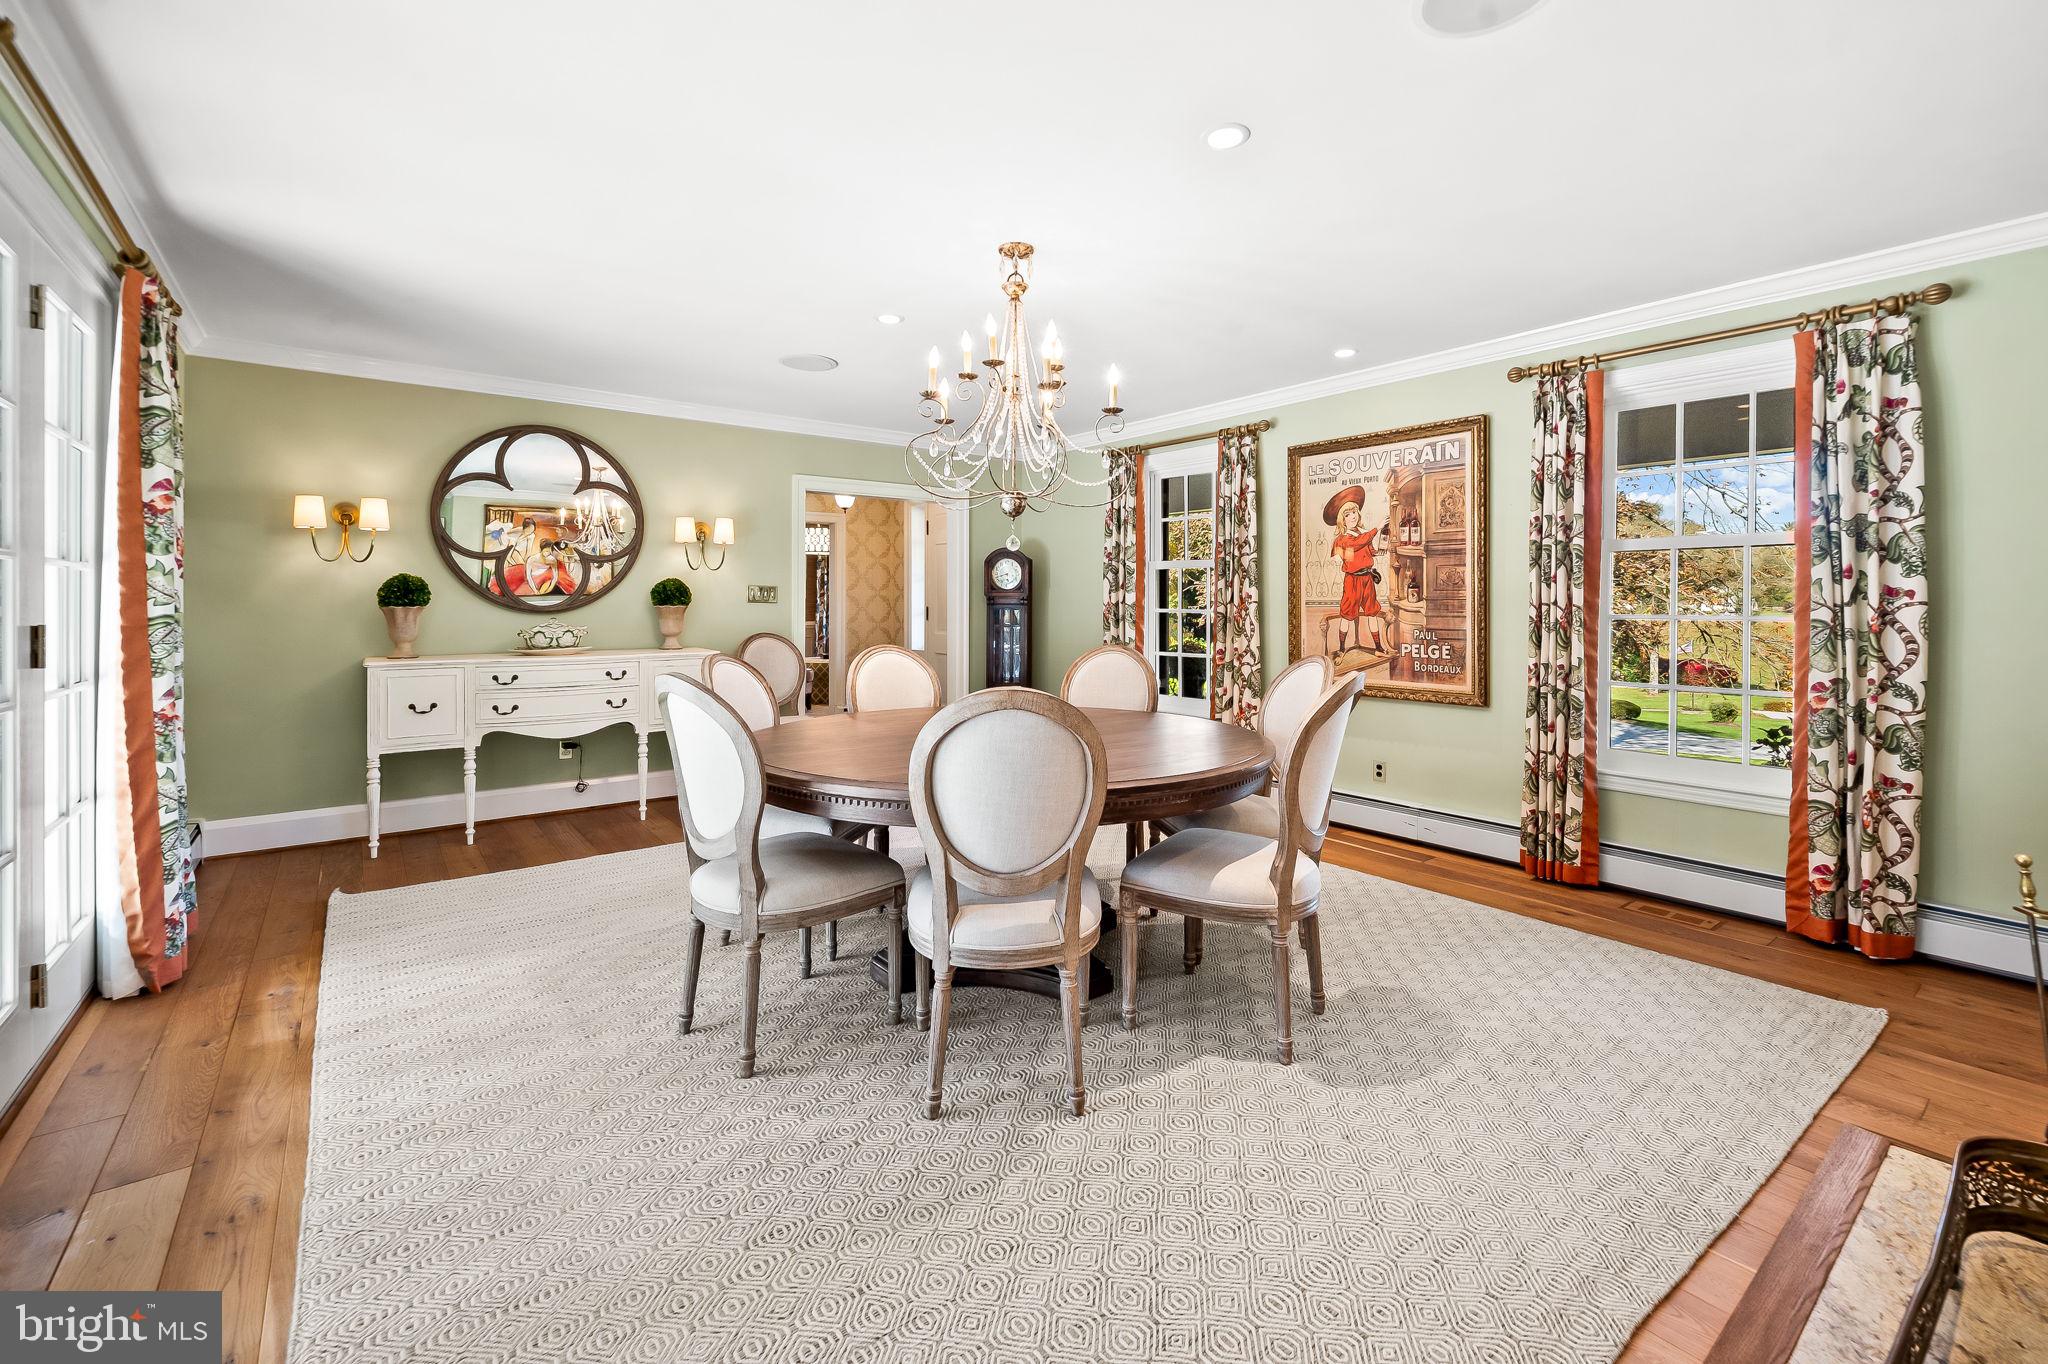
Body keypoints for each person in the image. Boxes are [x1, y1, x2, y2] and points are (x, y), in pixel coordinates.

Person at [1323, 485, 1390, 657]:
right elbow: (1356, 544)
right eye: (1347, 514)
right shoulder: (1343, 539)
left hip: (1367, 578)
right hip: (1352, 581)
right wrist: (1377, 528)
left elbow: (1366, 550)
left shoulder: (1361, 532)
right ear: (1342, 519)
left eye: (1354, 512)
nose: (1352, 517)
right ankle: (1342, 649)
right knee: (1347, 616)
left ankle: (1378, 648)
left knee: (1372, 613)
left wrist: (1380, 551)